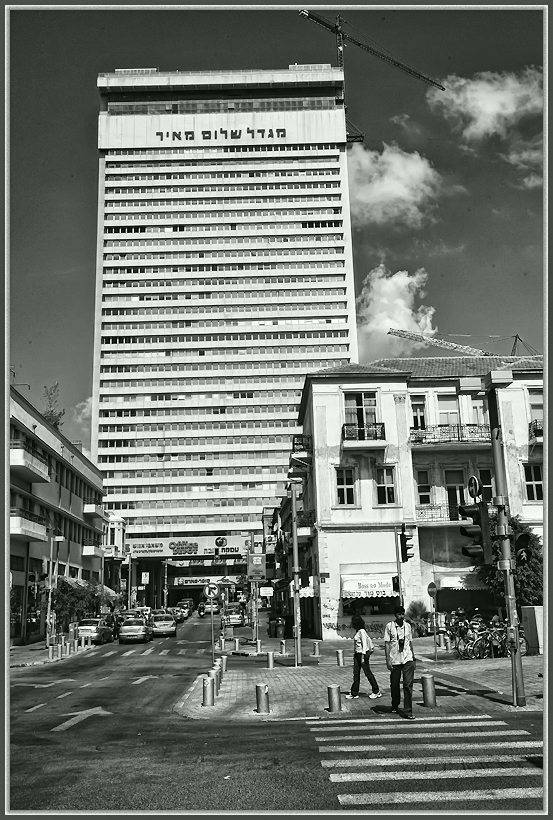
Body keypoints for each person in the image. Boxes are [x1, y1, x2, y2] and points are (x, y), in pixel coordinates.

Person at [384, 605, 416, 719]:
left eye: (402, 614)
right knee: (394, 684)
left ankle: (408, 710)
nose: (401, 616)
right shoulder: (390, 626)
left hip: (407, 658)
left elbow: (410, 642)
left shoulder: (407, 626)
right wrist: (387, 660)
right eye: (399, 614)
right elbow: (387, 644)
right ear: (395, 615)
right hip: (395, 659)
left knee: (408, 684)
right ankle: (395, 704)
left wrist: (414, 658)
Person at [345, 614, 382, 700]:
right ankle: (354, 692)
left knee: (367, 673)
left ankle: (376, 691)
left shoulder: (361, 631)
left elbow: (364, 645)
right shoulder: (359, 631)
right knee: (356, 674)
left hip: (362, 654)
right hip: (357, 654)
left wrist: (362, 657)